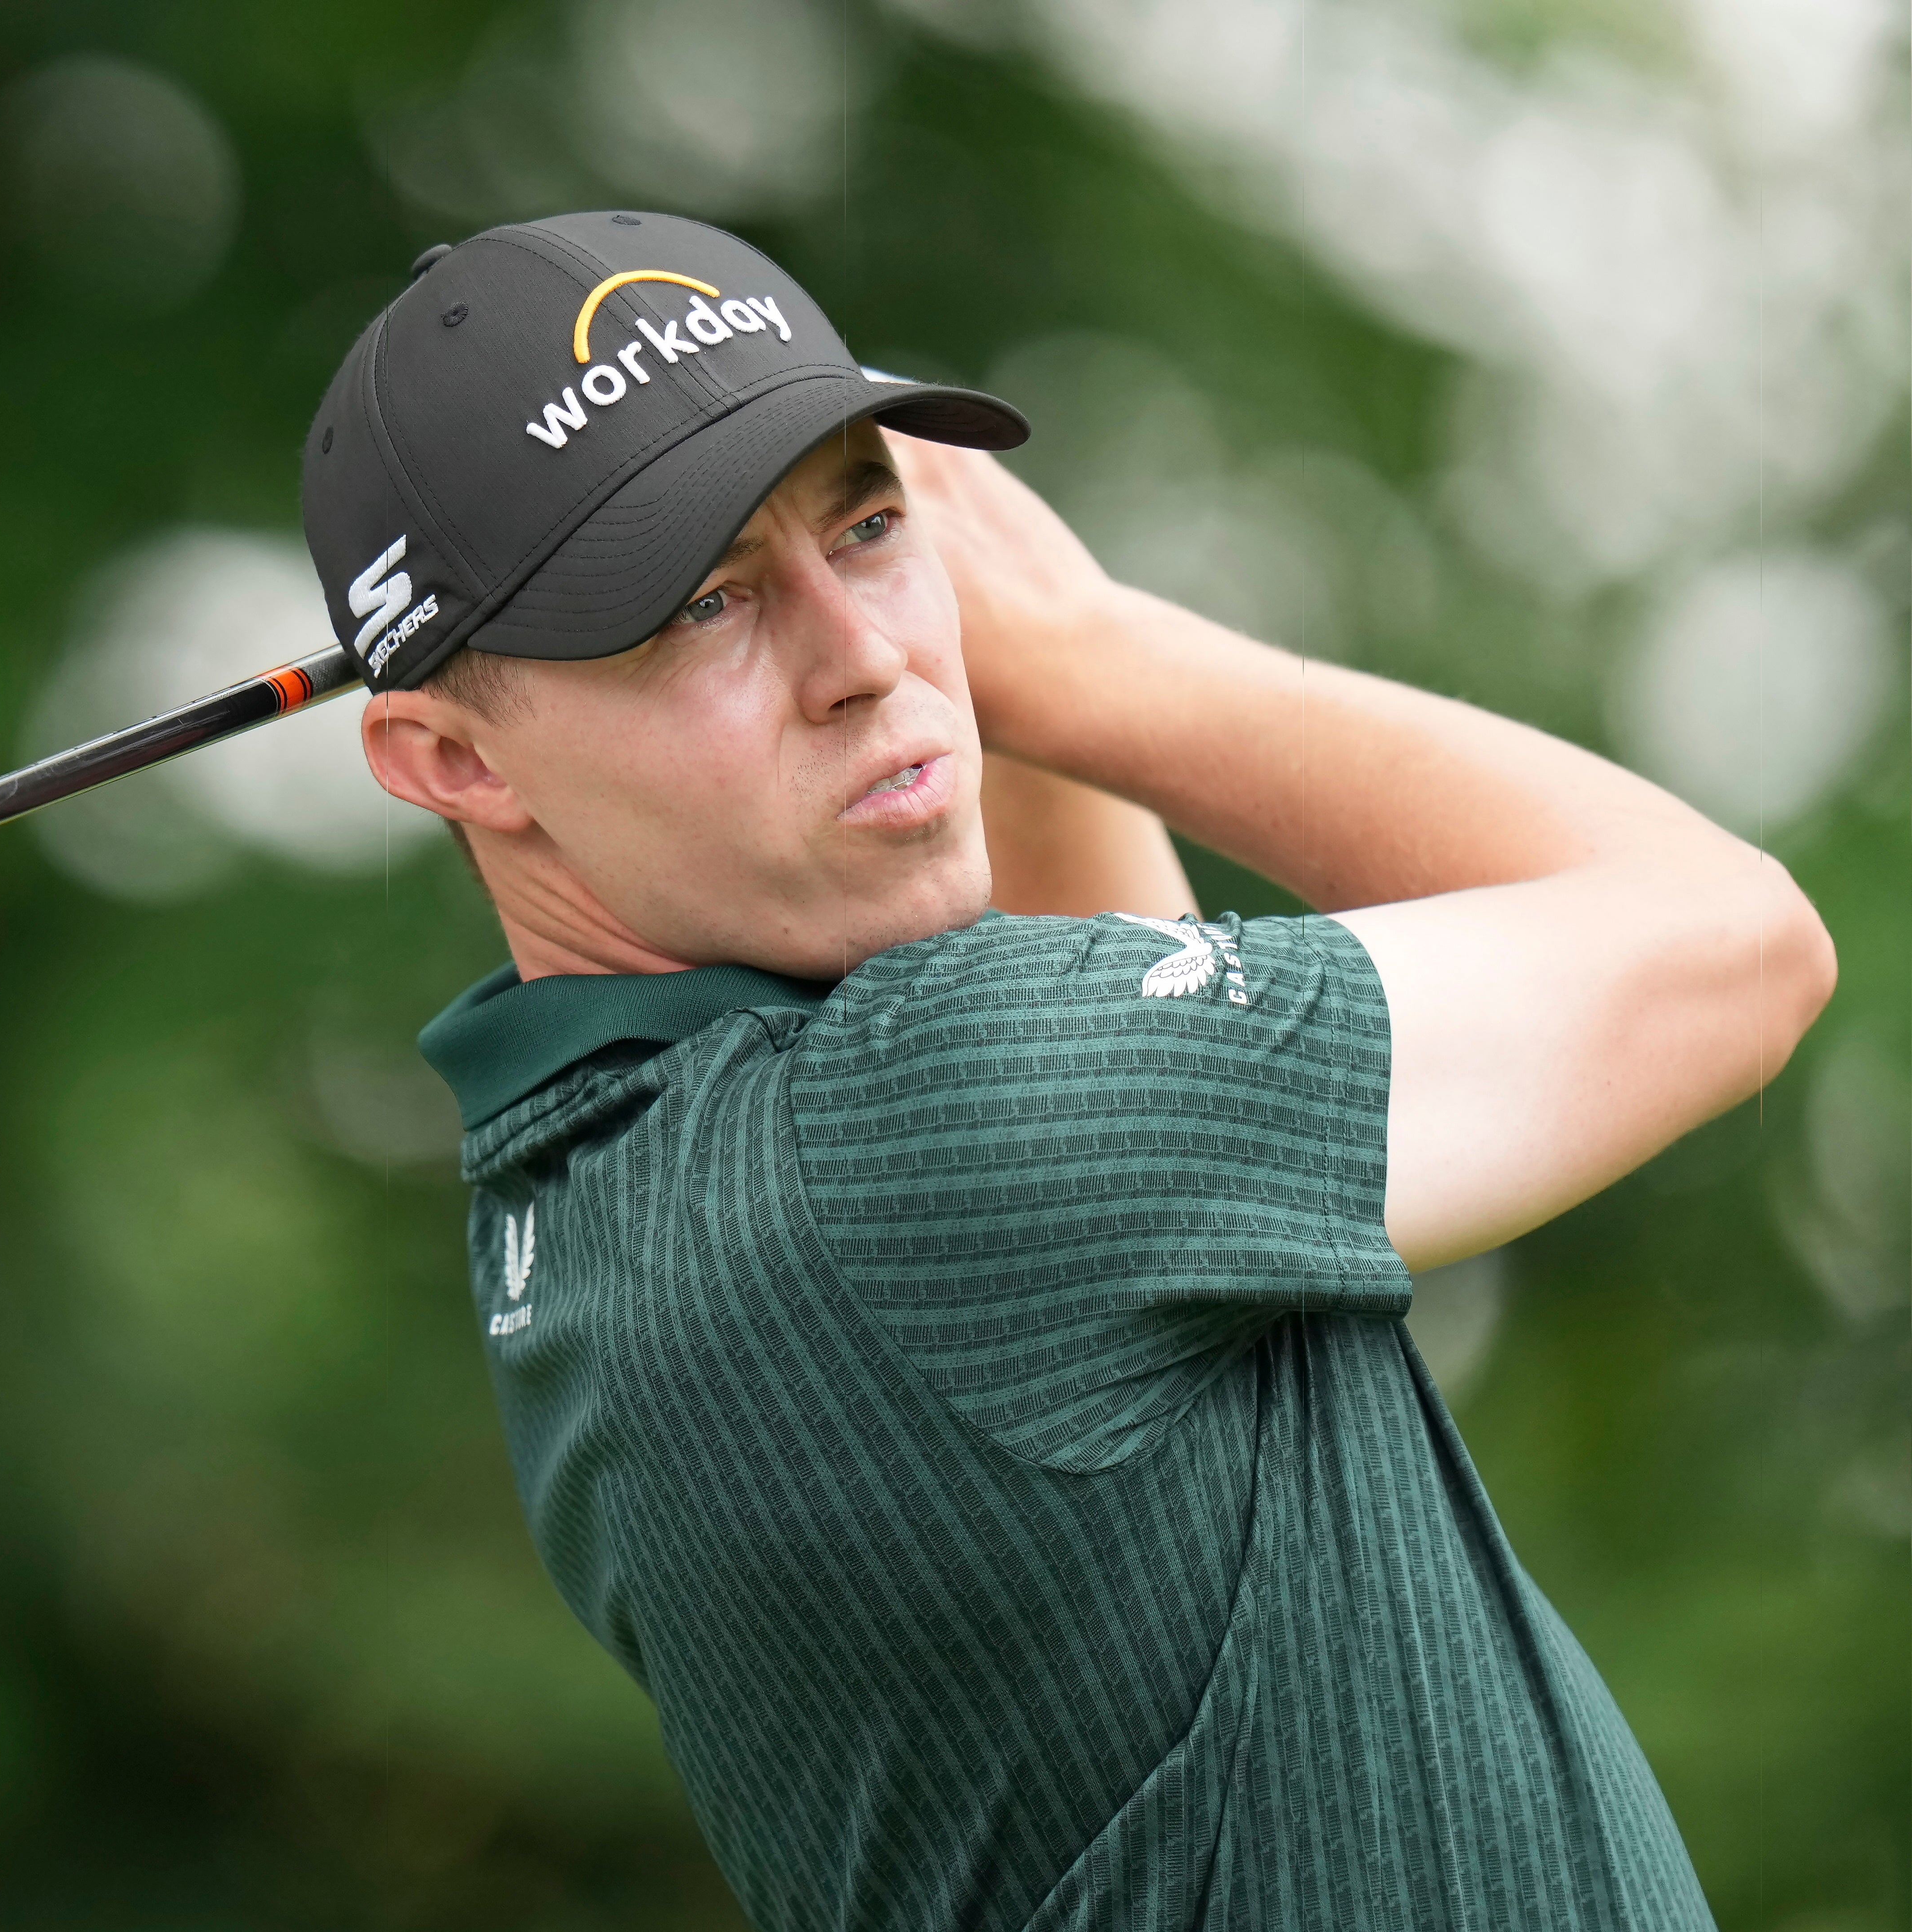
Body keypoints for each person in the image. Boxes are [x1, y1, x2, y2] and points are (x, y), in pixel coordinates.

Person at [299, 211, 1835, 1930]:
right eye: (703, 601)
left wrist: (976, 702)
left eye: (870, 523)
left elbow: (1110, 1072)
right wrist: (1097, 655)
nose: (868, 655)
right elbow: (1736, 944)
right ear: (448, 757)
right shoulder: (921, 1130)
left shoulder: (589, 1193)